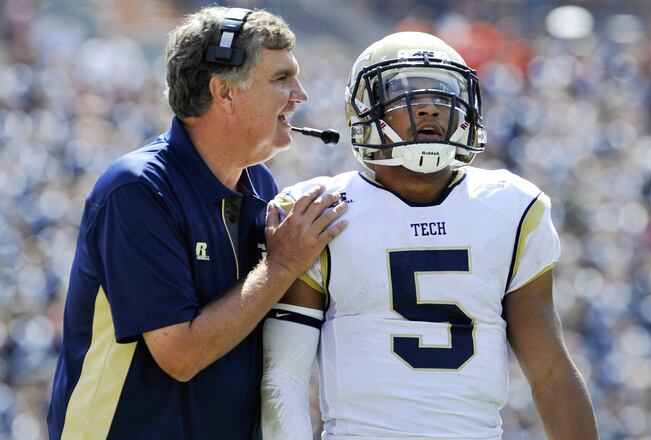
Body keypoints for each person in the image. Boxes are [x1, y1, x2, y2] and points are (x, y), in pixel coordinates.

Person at [261, 32, 598, 439]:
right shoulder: (317, 210)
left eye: (444, 93)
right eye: (406, 91)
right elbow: (284, 379)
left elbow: (551, 371)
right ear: (364, 108)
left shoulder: (512, 209)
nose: (430, 107)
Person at [47, 6, 348, 440]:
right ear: (224, 92)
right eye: (281, 78)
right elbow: (180, 355)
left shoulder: (259, 181)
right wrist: (281, 267)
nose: (300, 94)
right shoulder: (135, 190)